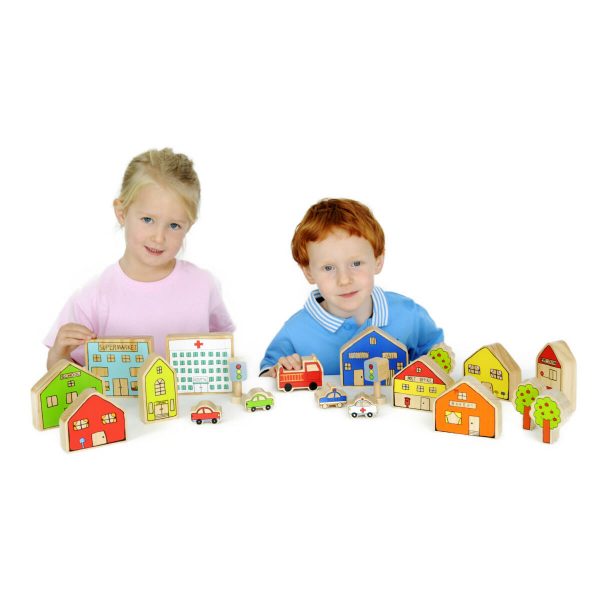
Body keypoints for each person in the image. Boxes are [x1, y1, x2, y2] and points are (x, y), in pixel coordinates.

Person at [45, 148, 234, 369]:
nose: (159, 237)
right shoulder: (92, 298)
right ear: (122, 213)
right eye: (147, 220)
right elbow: (66, 375)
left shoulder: (204, 285)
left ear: (189, 226)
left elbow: (225, 352)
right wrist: (58, 355)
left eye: (174, 225)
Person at [260, 198, 443, 376]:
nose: (344, 280)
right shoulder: (295, 331)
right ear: (308, 272)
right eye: (328, 268)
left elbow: (438, 356)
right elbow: (267, 374)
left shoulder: (409, 315)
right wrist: (279, 370)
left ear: (378, 260)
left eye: (356, 263)